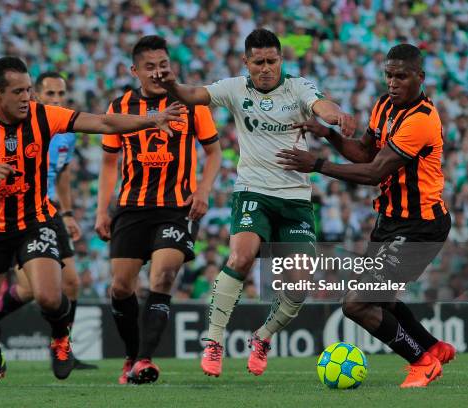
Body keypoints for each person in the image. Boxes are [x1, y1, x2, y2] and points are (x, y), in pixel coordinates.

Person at [0, 56, 182, 388]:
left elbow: (103, 123)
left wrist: (150, 120)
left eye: (29, 90)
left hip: (35, 220)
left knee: (49, 295)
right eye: (18, 92)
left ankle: (61, 338)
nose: (26, 98)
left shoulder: (43, 116)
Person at [151, 28, 355, 377]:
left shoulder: (297, 87)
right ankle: (214, 341)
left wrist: (333, 114)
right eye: (258, 62)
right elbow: (193, 94)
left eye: (272, 61)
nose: (265, 68)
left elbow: (321, 104)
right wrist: (171, 85)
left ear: (281, 61)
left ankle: (262, 337)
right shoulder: (234, 88)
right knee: (241, 256)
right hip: (252, 191)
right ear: (246, 63)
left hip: (295, 197)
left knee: (301, 281)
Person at [276, 44, 455, 388]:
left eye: (401, 76)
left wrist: (317, 165)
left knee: (356, 304)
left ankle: (422, 362)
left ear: (420, 77)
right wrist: (328, 134)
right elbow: (363, 152)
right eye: (388, 74)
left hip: (421, 226)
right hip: (389, 222)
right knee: (381, 299)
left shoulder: (421, 120)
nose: (392, 82)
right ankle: (434, 347)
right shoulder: (384, 106)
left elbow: (374, 173)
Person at [94, 35, 221, 384]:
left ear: (171, 67)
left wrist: (203, 190)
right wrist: (102, 210)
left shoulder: (191, 103)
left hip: (176, 208)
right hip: (131, 208)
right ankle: (131, 356)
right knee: (121, 288)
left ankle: (146, 361)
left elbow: (214, 152)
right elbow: (108, 163)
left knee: (163, 276)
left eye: (163, 65)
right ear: (135, 71)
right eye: (149, 67)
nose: (157, 72)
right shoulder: (119, 107)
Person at [0, 72, 96, 370]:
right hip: (21, 212)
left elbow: (62, 174)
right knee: (29, 290)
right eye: (50, 94)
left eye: (61, 94)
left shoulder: (66, 131)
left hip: (51, 212)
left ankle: (62, 347)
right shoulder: (24, 127)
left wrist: (66, 213)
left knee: (73, 282)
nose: (57, 100)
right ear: (35, 96)